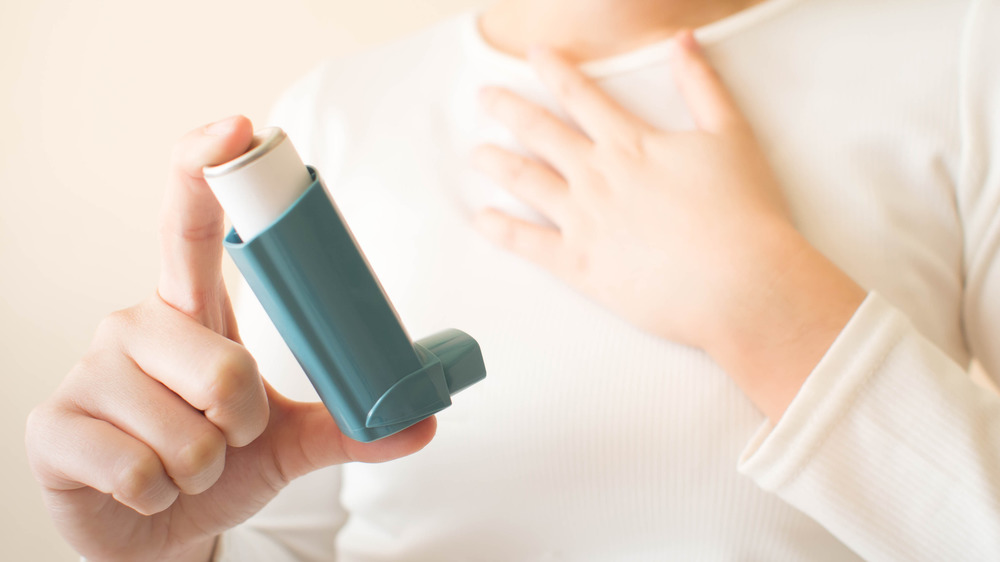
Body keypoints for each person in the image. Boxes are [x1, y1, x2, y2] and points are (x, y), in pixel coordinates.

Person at [24, 0, 1000, 559]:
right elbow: (290, 539)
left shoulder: (963, 59)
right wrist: (176, 553)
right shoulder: (333, 118)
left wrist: (771, 312)